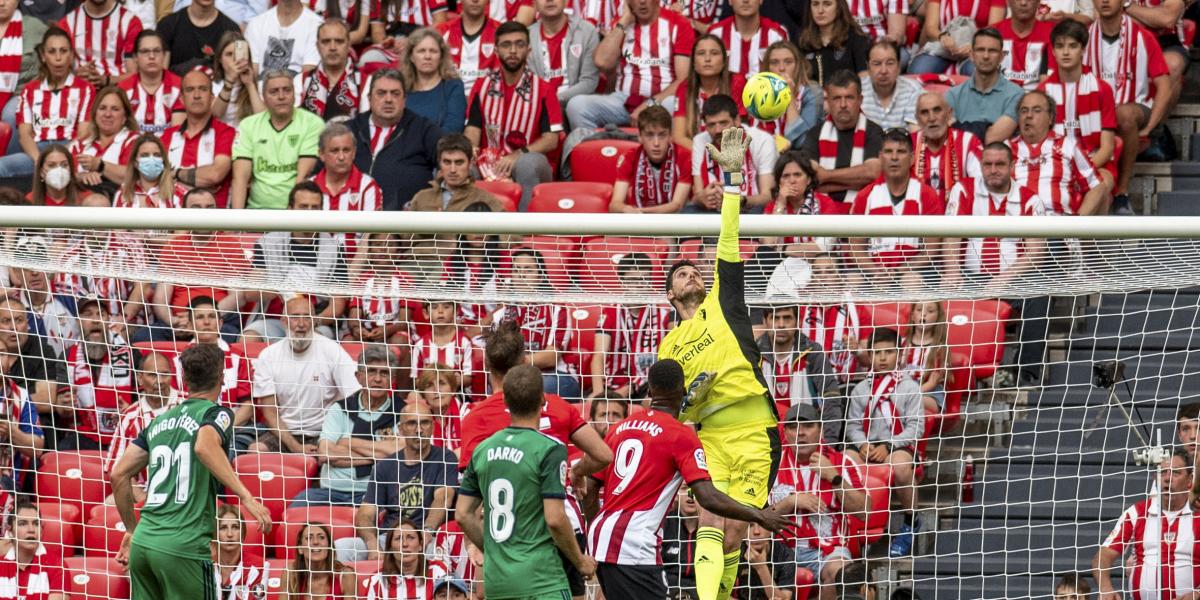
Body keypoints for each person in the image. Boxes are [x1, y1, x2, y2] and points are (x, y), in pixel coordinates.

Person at [659, 126, 780, 600]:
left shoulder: (724, 304)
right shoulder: (669, 346)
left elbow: (728, 239)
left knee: (732, 534)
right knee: (710, 519)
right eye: (681, 272)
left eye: (694, 269)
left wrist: (732, 180)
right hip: (708, 436)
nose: (691, 273)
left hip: (754, 433)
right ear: (670, 293)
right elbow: (671, 409)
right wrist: (692, 398)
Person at [582, 358, 794, 600]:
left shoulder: (620, 427)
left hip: (601, 538)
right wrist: (758, 515)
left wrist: (593, 531)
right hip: (635, 544)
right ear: (683, 390)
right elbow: (708, 497)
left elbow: (589, 488)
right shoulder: (681, 435)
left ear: (649, 391)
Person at [457, 319, 613, 597]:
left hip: (506, 538)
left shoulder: (476, 419)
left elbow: (468, 505)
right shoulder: (556, 406)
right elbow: (602, 455)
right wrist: (577, 472)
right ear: (525, 361)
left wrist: (486, 547)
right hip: (562, 529)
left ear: (488, 366)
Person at [111, 344, 273, 598]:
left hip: (144, 542)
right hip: (183, 545)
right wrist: (245, 496)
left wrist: (132, 530)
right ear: (221, 377)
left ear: (183, 379)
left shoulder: (160, 421)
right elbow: (204, 445)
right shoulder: (216, 413)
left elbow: (118, 474)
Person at [943, 143, 1050, 386]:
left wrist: (1002, 281)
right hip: (969, 276)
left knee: (1039, 293)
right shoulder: (964, 189)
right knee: (934, 284)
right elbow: (949, 235)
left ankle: (1025, 373)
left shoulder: (1030, 200)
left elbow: (1035, 253)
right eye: (987, 164)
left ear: (1012, 166)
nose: (993, 170)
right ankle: (943, 370)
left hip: (1010, 280)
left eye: (1000, 164)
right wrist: (951, 270)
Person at [1084, 0, 1171, 215]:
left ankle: (1122, 194)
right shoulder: (1082, 37)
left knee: (1123, 114)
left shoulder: (1142, 36)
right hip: (1093, 110)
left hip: (1135, 106)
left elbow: (1165, 85)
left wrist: (1149, 128)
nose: (1105, 1)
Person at [770, 403, 865, 600]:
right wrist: (791, 502)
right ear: (785, 432)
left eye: (807, 426)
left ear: (820, 429)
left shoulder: (842, 462)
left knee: (839, 572)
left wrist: (835, 478)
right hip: (779, 551)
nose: (800, 433)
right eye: (793, 427)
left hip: (828, 551)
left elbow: (864, 512)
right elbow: (756, 517)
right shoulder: (770, 466)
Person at [464, 21, 562, 211]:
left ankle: (524, 232)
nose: (513, 50)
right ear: (496, 50)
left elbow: (552, 140)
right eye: (506, 45)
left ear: (529, 50)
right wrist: (472, 150)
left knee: (527, 164)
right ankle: (466, 234)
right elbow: (473, 129)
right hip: (490, 159)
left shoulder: (544, 89)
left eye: (519, 44)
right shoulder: (481, 86)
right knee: (462, 166)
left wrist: (518, 155)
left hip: (532, 160)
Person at [844, 328, 924, 558]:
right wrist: (862, 445)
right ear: (869, 355)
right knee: (846, 460)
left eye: (889, 352)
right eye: (877, 352)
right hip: (867, 446)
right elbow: (853, 426)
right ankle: (850, 521)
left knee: (899, 466)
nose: (882, 358)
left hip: (898, 446)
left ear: (899, 354)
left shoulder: (910, 387)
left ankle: (910, 522)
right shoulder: (861, 388)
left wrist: (889, 445)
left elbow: (915, 427)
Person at [288, 344, 399, 509]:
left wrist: (347, 442)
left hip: (375, 493)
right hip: (331, 492)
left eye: (384, 373)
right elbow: (325, 454)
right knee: (298, 507)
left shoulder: (402, 411)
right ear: (358, 376)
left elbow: (402, 455)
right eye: (371, 372)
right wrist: (379, 455)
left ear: (392, 379)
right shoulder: (339, 408)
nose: (377, 379)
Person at [251, 296, 361, 455]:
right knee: (256, 450)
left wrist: (334, 434)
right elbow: (269, 413)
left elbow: (355, 394)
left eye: (307, 318)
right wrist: (296, 447)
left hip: (325, 431)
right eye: (295, 317)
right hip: (286, 432)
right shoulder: (268, 356)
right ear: (284, 321)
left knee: (329, 455)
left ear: (315, 321)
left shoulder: (332, 350)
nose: (301, 324)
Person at [567, 0, 694, 131]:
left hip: (662, 101)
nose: (642, 2)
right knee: (577, 105)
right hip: (623, 100)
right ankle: (596, 149)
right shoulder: (621, 23)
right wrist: (625, 20)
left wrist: (651, 103)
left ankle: (668, 150)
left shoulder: (679, 23)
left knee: (674, 105)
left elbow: (683, 79)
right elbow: (601, 61)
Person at [1093, 447, 1200, 600]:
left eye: (1175, 473)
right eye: (1163, 472)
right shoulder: (1136, 513)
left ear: (1189, 480)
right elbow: (1103, 556)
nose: (1167, 478)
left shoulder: (1198, 517)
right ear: (1155, 478)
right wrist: (1105, 588)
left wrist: (1198, 594)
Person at [848, 129, 945, 288]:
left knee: (910, 281)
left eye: (900, 152)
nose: (894, 157)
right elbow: (855, 247)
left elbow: (931, 249)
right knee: (851, 280)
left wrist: (899, 271)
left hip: (915, 272)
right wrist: (877, 272)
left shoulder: (927, 195)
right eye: (888, 151)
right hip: (874, 273)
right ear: (880, 157)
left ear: (912, 158)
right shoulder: (865, 196)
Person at [354, 402, 458, 545]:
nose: (419, 430)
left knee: (439, 550)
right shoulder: (385, 466)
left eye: (425, 423)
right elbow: (365, 513)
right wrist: (372, 543)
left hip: (427, 538)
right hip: (390, 538)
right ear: (400, 429)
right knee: (343, 547)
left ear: (433, 427)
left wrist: (427, 531)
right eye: (411, 423)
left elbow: (443, 499)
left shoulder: (446, 458)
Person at [1038, 20, 1119, 199]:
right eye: (1060, 46)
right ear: (1052, 51)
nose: (1066, 52)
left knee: (1102, 186)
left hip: (1096, 162)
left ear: (1083, 50)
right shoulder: (1042, 93)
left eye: (1072, 46)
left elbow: (1106, 148)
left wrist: (1078, 173)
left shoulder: (1102, 89)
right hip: (1054, 165)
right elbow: (1039, 143)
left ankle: (1076, 225)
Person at [0, 27, 94, 178]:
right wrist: (40, 161)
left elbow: (84, 134)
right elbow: (24, 135)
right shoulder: (29, 90)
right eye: (52, 51)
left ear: (71, 56)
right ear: (43, 56)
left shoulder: (86, 89)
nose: (58, 58)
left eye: (63, 51)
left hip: (69, 150)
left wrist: (59, 160)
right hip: (36, 152)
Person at [407, 133, 506, 271]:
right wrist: (427, 227)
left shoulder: (485, 200)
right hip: (415, 264)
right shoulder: (422, 197)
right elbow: (402, 237)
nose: (453, 170)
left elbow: (513, 235)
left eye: (459, 162)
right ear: (439, 163)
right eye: (447, 162)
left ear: (471, 163)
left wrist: (464, 242)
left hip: (457, 269)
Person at [488, 250, 581, 398]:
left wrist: (513, 362)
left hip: (555, 375)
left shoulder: (557, 308)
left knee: (530, 387)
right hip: (514, 375)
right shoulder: (501, 314)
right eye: (516, 270)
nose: (521, 274)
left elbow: (551, 357)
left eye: (528, 270)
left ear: (540, 275)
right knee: (494, 384)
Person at [347, 69, 442, 211]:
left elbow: (450, 161)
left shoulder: (424, 129)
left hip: (405, 224)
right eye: (381, 93)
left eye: (395, 94)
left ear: (404, 100)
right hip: (350, 219)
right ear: (369, 99)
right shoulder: (349, 130)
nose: (388, 99)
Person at [230, 70, 322, 210]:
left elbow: (302, 178)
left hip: (294, 214)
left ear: (294, 94)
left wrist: (289, 220)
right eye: (274, 92)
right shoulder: (248, 126)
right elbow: (240, 178)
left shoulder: (312, 123)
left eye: (287, 90)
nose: (281, 96)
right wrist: (237, 224)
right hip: (256, 212)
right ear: (264, 97)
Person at [1010, 90, 1108, 216]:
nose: (1028, 115)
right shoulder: (1006, 149)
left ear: (1050, 118)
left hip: (1057, 226)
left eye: (1037, 110)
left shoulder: (1068, 145)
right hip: (1017, 226)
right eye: (1024, 111)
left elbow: (1096, 186)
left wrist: (1076, 224)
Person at [591, 253, 674, 397]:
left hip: (653, 384)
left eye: (645, 279)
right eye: (633, 280)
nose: (640, 284)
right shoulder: (610, 312)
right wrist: (598, 395)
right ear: (622, 281)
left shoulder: (665, 312)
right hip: (615, 385)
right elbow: (599, 355)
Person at [60, 295, 134, 452]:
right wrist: (66, 406)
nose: (95, 320)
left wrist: (132, 410)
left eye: (100, 314)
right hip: (84, 435)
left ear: (108, 320)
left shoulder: (130, 354)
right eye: (88, 314)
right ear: (78, 322)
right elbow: (61, 408)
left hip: (125, 433)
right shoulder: (67, 356)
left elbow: (145, 402)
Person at [103, 352, 181, 500]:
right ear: (140, 378)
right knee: (109, 505)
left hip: (184, 490)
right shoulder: (130, 416)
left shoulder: (187, 406)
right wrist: (143, 499)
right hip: (144, 492)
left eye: (165, 374)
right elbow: (116, 468)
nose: (160, 381)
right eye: (152, 375)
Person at [798, 70, 883, 205]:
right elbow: (811, 179)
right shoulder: (815, 134)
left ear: (860, 100)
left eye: (849, 97)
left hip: (863, 214)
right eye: (837, 98)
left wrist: (826, 175)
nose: (843, 105)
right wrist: (857, 182)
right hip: (822, 213)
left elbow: (873, 173)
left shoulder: (873, 131)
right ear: (828, 102)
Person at [161, 68, 235, 208]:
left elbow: (215, 175)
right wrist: (199, 177)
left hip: (213, 224)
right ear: (182, 99)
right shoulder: (167, 136)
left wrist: (175, 174)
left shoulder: (225, 132)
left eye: (202, 89)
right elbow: (157, 178)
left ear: (212, 97)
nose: (196, 95)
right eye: (190, 90)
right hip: (171, 221)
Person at [691, 94, 777, 211]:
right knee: (689, 212)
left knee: (759, 211)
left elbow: (767, 197)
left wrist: (740, 200)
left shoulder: (762, 140)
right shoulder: (700, 141)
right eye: (711, 125)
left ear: (737, 120)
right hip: (713, 208)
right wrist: (704, 198)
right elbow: (697, 195)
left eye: (723, 123)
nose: (718, 130)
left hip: (748, 207)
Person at [944, 29, 1024, 144]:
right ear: (971, 55)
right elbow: (949, 136)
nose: (986, 56)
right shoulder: (953, 95)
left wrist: (960, 128)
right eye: (980, 50)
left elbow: (992, 138)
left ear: (1002, 56)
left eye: (992, 51)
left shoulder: (1017, 95)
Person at [760, 150, 841, 264]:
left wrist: (782, 249)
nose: (792, 181)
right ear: (779, 183)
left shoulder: (825, 203)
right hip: (783, 269)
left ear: (808, 180)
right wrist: (781, 203)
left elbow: (823, 247)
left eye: (797, 175)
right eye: (786, 176)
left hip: (818, 271)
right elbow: (768, 245)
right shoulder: (773, 206)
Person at [756, 305, 834, 417]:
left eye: (787, 318)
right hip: (764, 429)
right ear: (765, 322)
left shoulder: (813, 352)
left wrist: (828, 435)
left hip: (803, 429)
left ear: (799, 322)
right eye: (775, 318)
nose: (781, 325)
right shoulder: (753, 354)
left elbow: (831, 397)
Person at [611, 106, 692, 213]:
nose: (656, 143)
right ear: (640, 137)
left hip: (675, 223)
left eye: (662, 135)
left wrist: (640, 213)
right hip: (638, 223)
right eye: (649, 135)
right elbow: (614, 204)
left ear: (670, 136)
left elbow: (677, 205)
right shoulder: (629, 157)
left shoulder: (685, 157)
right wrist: (625, 209)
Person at [672, 35, 746, 151]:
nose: (707, 59)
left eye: (714, 53)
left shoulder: (737, 82)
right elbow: (679, 137)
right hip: (697, 152)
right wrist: (706, 155)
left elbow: (741, 129)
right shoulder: (684, 88)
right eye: (701, 53)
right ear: (693, 63)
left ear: (723, 61)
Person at [528, 0, 599, 114]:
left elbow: (589, 82)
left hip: (573, 105)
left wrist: (554, 100)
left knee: (577, 107)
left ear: (566, 1)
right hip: (538, 107)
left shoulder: (587, 31)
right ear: (534, 4)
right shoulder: (527, 37)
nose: (549, 0)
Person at [0, 294, 66, 416]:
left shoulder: (42, 351)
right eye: (6, 321)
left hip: (34, 427)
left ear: (27, 323)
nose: (13, 327)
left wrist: (3, 405)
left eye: (19, 320)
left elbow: (46, 401)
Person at [911, 92, 983, 203]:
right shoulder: (909, 144)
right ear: (917, 119)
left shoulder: (968, 142)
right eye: (925, 113)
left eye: (937, 110)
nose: (932, 118)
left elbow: (981, 185)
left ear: (949, 114)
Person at [58, 0, 142, 88]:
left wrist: (107, 80)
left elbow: (135, 75)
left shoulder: (130, 22)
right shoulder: (66, 24)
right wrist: (75, 75)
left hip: (119, 93)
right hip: (78, 94)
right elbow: (57, 72)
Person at [310, 122, 383, 220]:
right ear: (321, 154)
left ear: (353, 153)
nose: (341, 157)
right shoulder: (309, 186)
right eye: (335, 151)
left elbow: (371, 232)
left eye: (346, 150)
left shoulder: (367, 187)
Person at [910, 0, 1006, 74]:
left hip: (975, 49)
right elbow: (930, 28)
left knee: (979, 75)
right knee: (918, 71)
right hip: (942, 48)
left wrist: (974, 45)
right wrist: (943, 37)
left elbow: (993, 30)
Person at [69, 85, 137, 190]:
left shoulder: (134, 141)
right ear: (95, 114)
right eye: (102, 108)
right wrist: (81, 176)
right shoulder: (78, 145)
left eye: (115, 109)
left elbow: (135, 176)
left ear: (125, 117)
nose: (107, 114)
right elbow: (62, 175)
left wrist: (100, 165)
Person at [400, 27, 467, 134]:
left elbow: (454, 128)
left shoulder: (453, 86)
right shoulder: (400, 87)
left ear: (441, 57)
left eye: (433, 51)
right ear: (411, 57)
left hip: (440, 147)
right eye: (421, 51)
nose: (427, 56)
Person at [299, 18, 366, 123]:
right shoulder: (300, 81)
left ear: (349, 45)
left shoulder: (365, 82)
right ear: (317, 46)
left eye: (339, 41)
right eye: (326, 42)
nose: (332, 47)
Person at [118, 31, 184, 134]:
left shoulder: (180, 86)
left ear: (164, 55)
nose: (152, 56)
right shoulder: (123, 89)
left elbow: (176, 135)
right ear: (135, 57)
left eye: (157, 51)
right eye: (145, 51)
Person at [364, 521, 450, 598]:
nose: (405, 544)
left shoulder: (438, 572)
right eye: (398, 538)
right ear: (390, 548)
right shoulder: (377, 581)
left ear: (420, 545)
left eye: (411, 537)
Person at [761, 41, 824, 145]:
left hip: (800, 157)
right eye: (774, 62)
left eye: (788, 62)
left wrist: (790, 98)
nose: (781, 68)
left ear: (798, 65)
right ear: (767, 68)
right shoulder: (759, 93)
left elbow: (802, 142)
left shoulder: (812, 92)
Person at [0, 500, 65, 600]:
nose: (31, 529)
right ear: (10, 532)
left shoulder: (57, 565)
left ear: (42, 530)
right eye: (22, 524)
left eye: (36, 523)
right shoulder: (2, 564)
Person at [157, 0, 241, 75]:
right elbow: (162, 75)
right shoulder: (168, 25)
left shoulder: (231, 29)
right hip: (176, 89)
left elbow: (235, 73)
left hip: (217, 90)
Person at [797, 0, 869, 87]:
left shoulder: (856, 38)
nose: (820, 10)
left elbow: (865, 81)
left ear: (839, 7)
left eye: (827, 4)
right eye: (815, 4)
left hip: (845, 98)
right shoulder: (803, 41)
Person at [708, 0, 787, 76]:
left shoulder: (776, 34)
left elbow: (784, 73)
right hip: (724, 89)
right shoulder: (716, 33)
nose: (745, 0)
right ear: (730, 1)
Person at [436, 0, 499, 95]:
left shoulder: (501, 32)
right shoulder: (441, 31)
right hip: (448, 98)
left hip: (487, 98)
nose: (475, 0)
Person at [243, 0, 321, 76]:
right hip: (260, 86)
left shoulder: (316, 25)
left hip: (298, 87)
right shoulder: (256, 24)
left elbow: (307, 76)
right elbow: (251, 73)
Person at [409, 299, 475, 388]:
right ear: (426, 313)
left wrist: (448, 384)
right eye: (434, 307)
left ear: (456, 311)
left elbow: (468, 377)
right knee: (413, 396)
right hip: (429, 394)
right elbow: (416, 379)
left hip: (456, 394)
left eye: (446, 307)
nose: (440, 311)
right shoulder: (420, 345)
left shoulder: (464, 342)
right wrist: (433, 384)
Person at [211, 503, 272, 599]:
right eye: (223, 528)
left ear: (243, 534)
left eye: (235, 527)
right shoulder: (203, 567)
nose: (230, 534)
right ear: (215, 535)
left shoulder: (259, 566)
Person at [859, 40, 920, 131]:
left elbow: (915, 135)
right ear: (868, 67)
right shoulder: (857, 90)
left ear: (899, 66)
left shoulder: (913, 91)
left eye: (890, 63)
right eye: (877, 64)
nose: (884, 71)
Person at [995, 0, 1056, 90]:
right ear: (1008, 2)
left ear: (1038, 3)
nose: (1023, 3)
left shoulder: (1052, 34)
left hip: (1036, 98)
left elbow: (1049, 81)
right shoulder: (993, 33)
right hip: (1000, 97)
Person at [283, 523, 355, 598]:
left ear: (329, 547)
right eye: (309, 538)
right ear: (300, 549)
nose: (315, 542)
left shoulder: (345, 576)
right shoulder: (290, 573)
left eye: (321, 537)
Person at [901, 301, 948, 414]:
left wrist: (910, 394)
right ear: (912, 316)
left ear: (938, 317)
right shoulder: (902, 344)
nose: (924, 314)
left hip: (929, 394)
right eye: (919, 310)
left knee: (912, 401)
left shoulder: (939, 348)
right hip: (903, 392)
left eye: (930, 311)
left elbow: (932, 383)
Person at [112, 134, 182, 209]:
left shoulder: (178, 193)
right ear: (135, 163)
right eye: (145, 155)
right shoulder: (123, 193)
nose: (151, 159)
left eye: (156, 155)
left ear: (163, 161)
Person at [211, 31, 265, 126]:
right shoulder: (212, 85)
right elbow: (216, 113)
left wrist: (250, 85)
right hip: (223, 138)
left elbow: (263, 119)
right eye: (229, 54)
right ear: (219, 58)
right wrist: (229, 81)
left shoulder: (259, 85)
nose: (234, 59)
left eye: (238, 54)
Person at [733, 522, 795, 599]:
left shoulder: (785, 554)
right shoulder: (735, 552)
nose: (756, 532)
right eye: (750, 525)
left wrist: (761, 568)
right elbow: (721, 595)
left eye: (762, 524)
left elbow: (784, 598)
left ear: (771, 529)